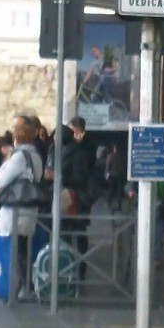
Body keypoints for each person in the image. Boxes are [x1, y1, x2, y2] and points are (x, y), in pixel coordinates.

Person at [0, 118, 43, 300]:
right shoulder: (36, 155)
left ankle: (15, 290)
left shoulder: (19, 157)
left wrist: (6, 161)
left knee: (13, 254)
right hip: (28, 211)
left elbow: (1, 179)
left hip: (15, 212)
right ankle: (24, 289)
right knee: (23, 252)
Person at [61, 116, 95, 282]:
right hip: (76, 198)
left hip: (77, 198)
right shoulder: (75, 149)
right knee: (72, 233)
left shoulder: (84, 148)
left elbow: (82, 174)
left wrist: (60, 178)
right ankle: (72, 268)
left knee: (77, 233)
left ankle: (77, 269)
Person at [105, 143, 126, 212]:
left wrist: (107, 174)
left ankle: (109, 202)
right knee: (120, 190)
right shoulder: (124, 156)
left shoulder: (111, 156)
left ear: (115, 148)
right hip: (121, 175)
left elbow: (108, 166)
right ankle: (119, 204)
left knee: (111, 189)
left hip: (113, 175)